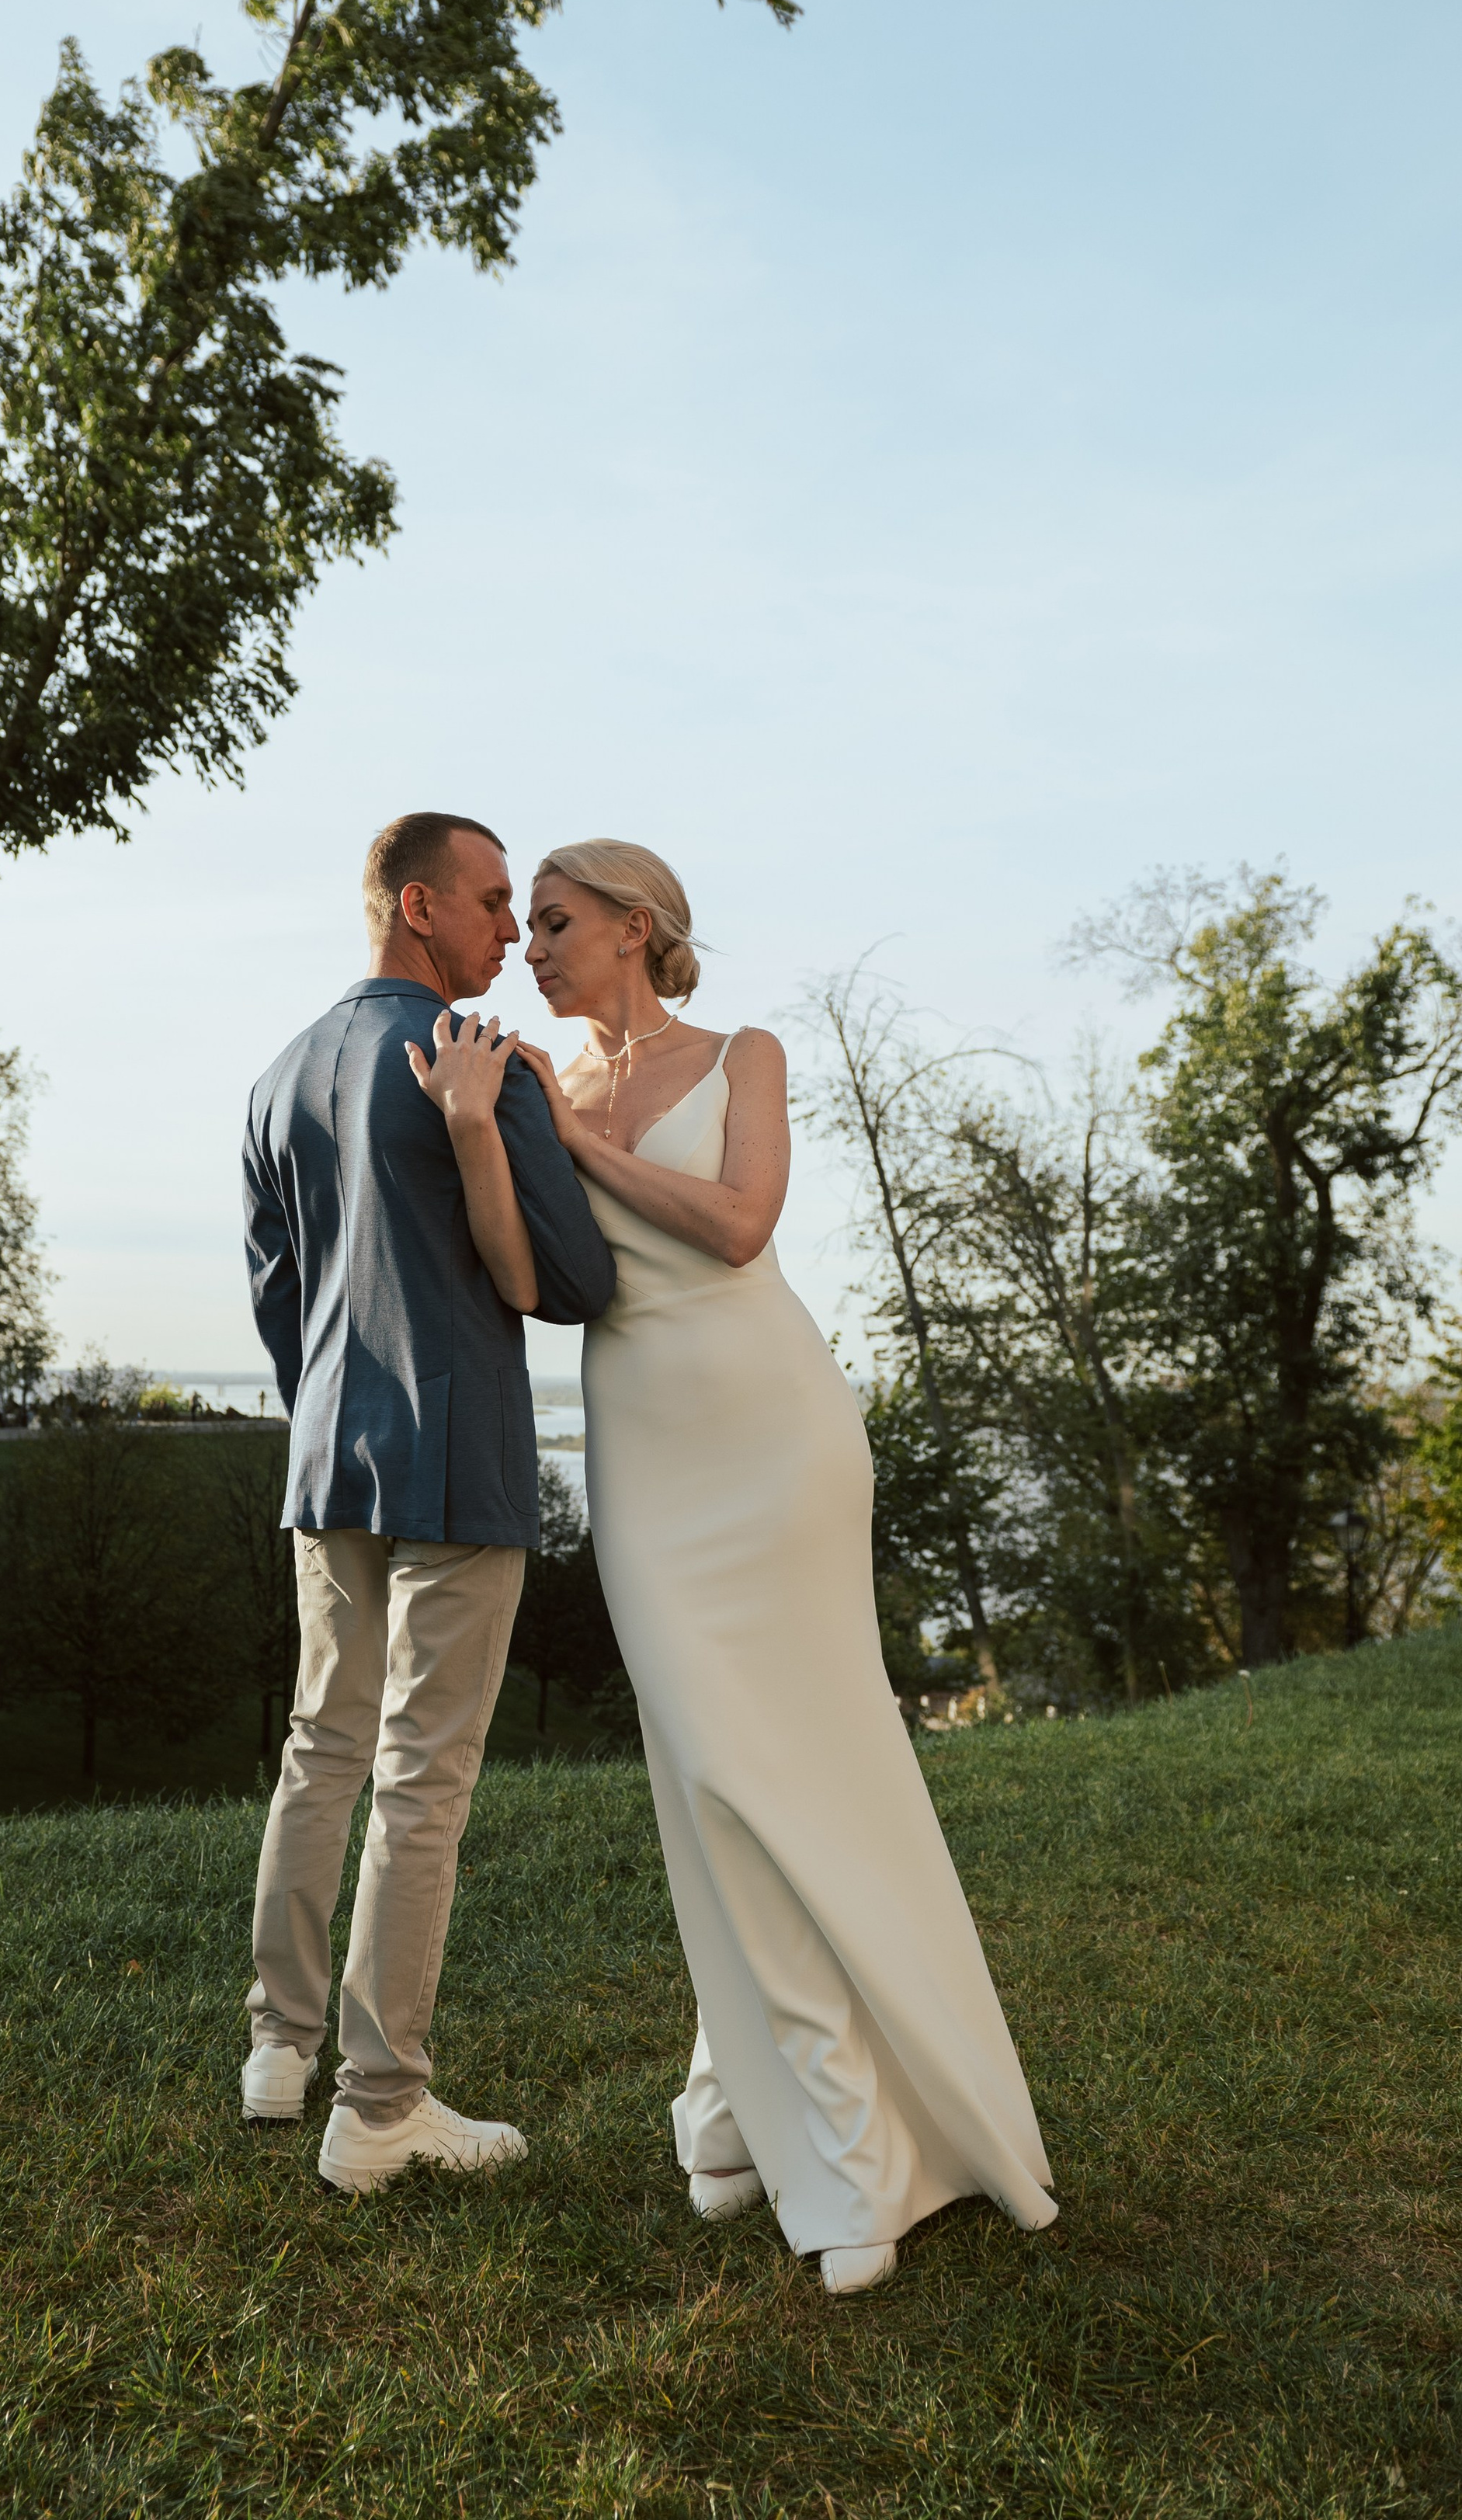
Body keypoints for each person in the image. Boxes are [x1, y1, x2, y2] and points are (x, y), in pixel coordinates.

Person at [506, 837, 1059, 2299]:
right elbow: (531, 1279)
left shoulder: (742, 1051)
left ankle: (841, 2152)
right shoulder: (538, 1091)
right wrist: (475, 1133)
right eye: (527, 926)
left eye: (555, 922)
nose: (531, 946)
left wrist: (582, 1150)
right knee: (709, 1780)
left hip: (778, 1440)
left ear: (636, 926)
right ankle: (738, 2105)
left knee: (808, 1772)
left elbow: (742, 1228)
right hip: (647, 1458)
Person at [240, 811, 618, 2195]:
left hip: (331, 1453)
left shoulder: (279, 1075)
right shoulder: (483, 1068)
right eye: (495, 901)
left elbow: (280, 1300)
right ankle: (382, 2104)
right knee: (423, 1776)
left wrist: (336, 1405)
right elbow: (576, 1282)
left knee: (320, 1744)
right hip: (458, 1458)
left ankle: (278, 2049)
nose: (513, 931)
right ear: (418, 906)